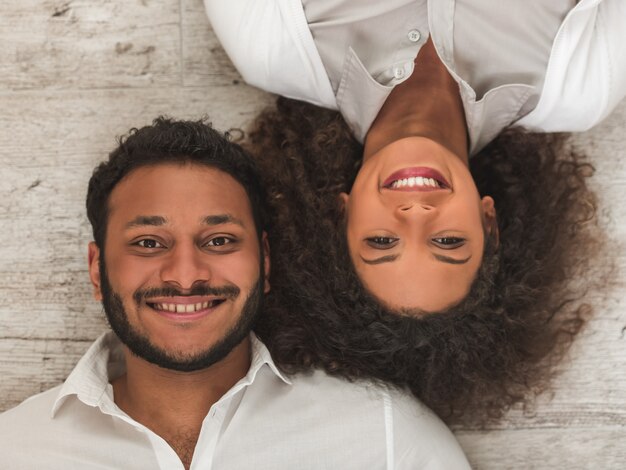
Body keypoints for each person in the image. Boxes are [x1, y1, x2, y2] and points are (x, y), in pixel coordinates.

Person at [202, 1, 617, 420]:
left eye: (381, 241)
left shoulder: (273, 48)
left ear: (341, 215)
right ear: (488, 222)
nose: (417, 211)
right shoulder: (580, 84)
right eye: (448, 241)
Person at [0, 118, 471, 469]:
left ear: (264, 262)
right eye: (148, 243)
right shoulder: (15, 449)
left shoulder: (386, 437)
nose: (186, 277)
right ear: (98, 269)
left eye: (219, 240)